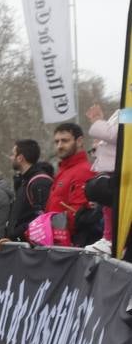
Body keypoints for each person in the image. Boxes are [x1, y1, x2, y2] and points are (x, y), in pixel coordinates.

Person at [46, 122, 95, 239]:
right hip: (56, 241)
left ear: (79, 141)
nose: (59, 146)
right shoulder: (63, 170)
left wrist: (50, 229)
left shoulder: (84, 171)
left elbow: (78, 214)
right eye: (56, 141)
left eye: (65, 141)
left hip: (70, 245)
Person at [5, 139, 54, 242]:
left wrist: (16, 233)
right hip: (21, 243)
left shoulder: (40, 182)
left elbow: (41, 217)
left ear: (20, 158)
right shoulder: (24, 181)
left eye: (12, 154)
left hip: (31, 247)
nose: (10, 158)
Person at [85, 104, 117, 254]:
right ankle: (108, 238)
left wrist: (98, 121)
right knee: (107, 208)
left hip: (120, 169)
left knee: (111, 208)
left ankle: (112, 240)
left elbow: (118, 134)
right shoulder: (126, 110)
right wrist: (98, 145)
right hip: (111, 168)